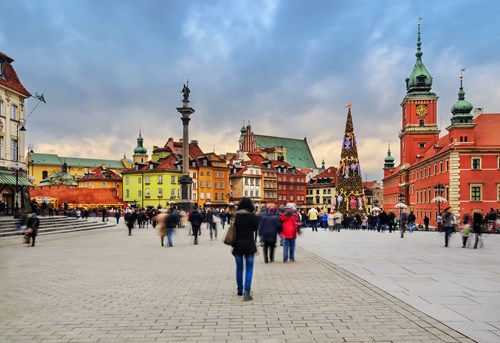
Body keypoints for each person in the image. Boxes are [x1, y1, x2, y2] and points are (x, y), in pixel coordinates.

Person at [231, 197, 258, 301]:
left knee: (239, 268)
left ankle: (239, 289)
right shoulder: (253, 217)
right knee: (249, 268)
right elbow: (256, 228)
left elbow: (233, 229)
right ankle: (247, 291)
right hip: (249, 245)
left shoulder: (236, 216)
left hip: (237, 245)